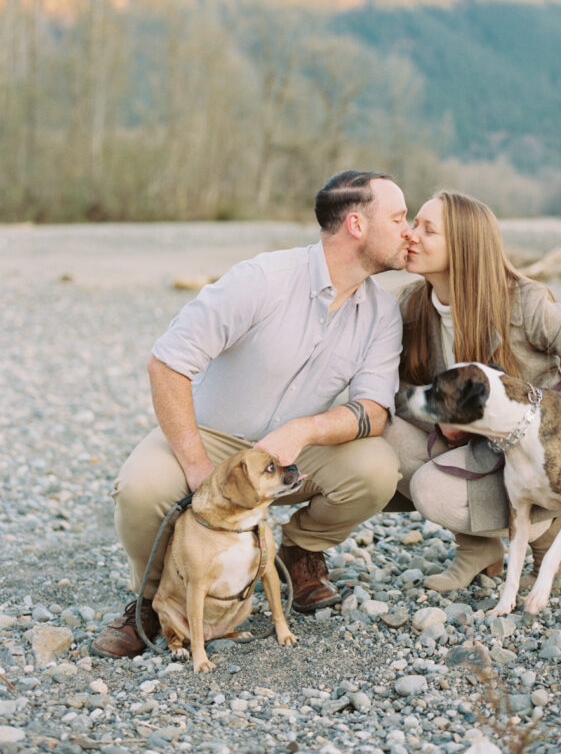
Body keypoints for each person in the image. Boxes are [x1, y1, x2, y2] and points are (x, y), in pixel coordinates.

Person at [92, 170, 411, 659]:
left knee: (377, 469)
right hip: (210, 435)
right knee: (141, 492)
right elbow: (167, 364)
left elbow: (374, 409)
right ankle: (154, 603)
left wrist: (306, 430)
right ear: (356, 225)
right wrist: (202, 472)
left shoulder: (382, 314)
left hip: (290, 452)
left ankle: (300, 549)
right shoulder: (261, 279)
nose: (408, 229)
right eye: (399, 217)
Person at [384, 190, 561, 592]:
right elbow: (398, 385)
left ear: (463, 246)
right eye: (413, 224)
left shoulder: (525, 304)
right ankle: (478, 549)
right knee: (385, 436)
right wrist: (445, 421)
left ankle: (553, 540)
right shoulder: (411, 303)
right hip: (473, 445)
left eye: (428, 229)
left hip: (537, 453)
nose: (410, 235)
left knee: (431, 491)